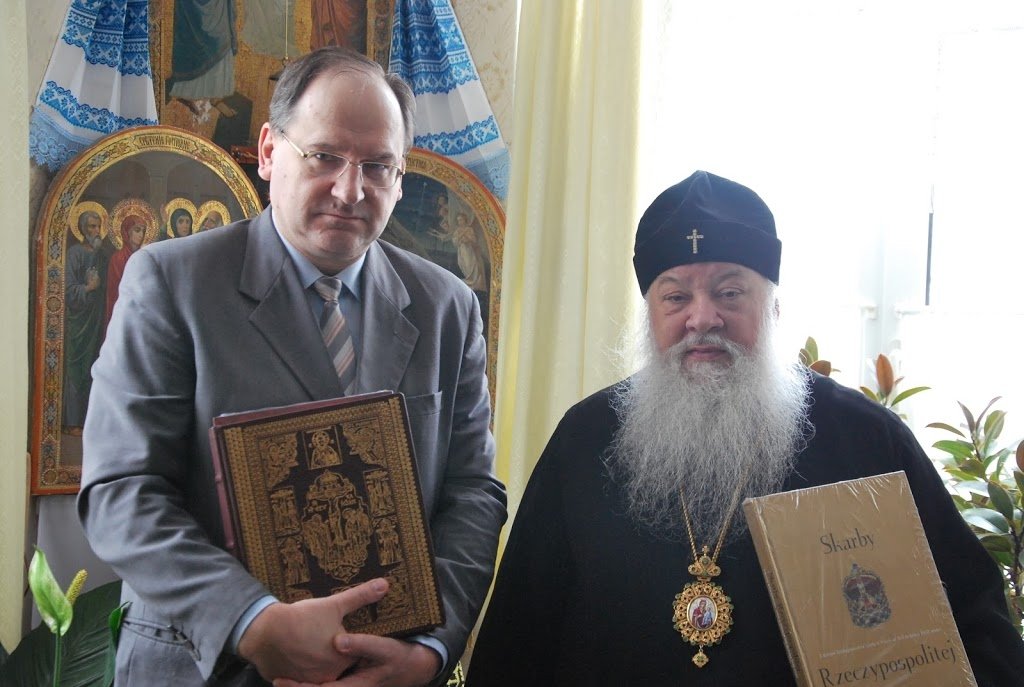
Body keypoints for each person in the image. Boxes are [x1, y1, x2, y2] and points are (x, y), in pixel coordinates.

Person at [466, 171, 1024, 686]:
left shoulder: (865, 438)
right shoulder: (586, 438)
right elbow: (520, 633)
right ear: (650, 315)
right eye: (676, 296)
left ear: (773, 308)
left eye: (730, 293)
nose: (702, 318)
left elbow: (974, 626)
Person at [79, 46, 506, 687]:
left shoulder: (448, 306)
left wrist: (431, 649)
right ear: (269, 150)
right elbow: (121, 489)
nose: (349, 190)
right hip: (208, 667)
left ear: (400, 178)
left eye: (377, 166)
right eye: (325, 156)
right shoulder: (171, 283)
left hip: (384, 669)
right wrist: (251, 620)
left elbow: (472, 493)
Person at [62, 209, 110, 431]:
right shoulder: (74, 253)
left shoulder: (102, 255)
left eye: (98, 226)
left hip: (96, 319)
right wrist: (88, 288)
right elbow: (67, 289)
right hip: (78, 321)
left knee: (94, 367)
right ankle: (72, 422)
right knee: (76, 368)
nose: (96, 231)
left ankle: (90, 422)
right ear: (82, 229)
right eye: (91, 226)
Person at [104, 214, 147, 334]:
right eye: (137, 230)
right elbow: (116, 291)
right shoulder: (117, 258)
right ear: (127, 232)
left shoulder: (144, 257)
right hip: (123, 312)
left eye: (143, 231)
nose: (141, 235)